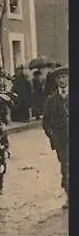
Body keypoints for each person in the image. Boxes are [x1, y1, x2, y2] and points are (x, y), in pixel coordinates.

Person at [42, 66, 69, 209]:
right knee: (66, 167)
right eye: (59, 78)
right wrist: (52, 136)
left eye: (64, 77)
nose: (62, 80)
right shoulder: (51, 100)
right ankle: (69, 197)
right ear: (56, 81)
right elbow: (45, 122)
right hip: (61, 141)